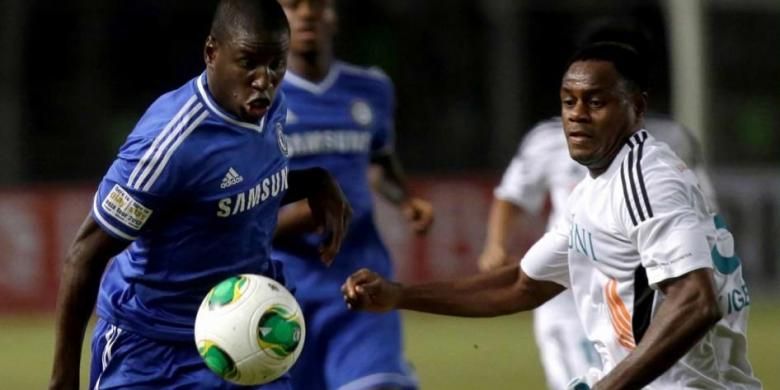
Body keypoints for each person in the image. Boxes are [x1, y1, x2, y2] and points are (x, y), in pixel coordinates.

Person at [343, 42, 762, 389]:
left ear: (636, 106)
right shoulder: (597, 187)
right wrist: (400, 295)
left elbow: (695, 299)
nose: (577, 114)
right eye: (569, 101)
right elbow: (522, 284)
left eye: (596, 101)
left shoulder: (644, 179)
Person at [48, 1, 352, 389]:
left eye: (276, 63)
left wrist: (314, 181)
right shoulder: (167, 145)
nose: (264, 79)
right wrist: (61, 380)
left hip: (246, 334)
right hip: (152, 351)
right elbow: (84, 256)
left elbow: (239, 183)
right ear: (212, 53)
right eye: (248, 62)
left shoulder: (270, 108)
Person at [477, 26, 718, 390]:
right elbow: (511, 195)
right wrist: (495, 245)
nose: (578, 113)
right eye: (570, 98)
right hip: (567, 295)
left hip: (639, 288)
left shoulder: (667, 147)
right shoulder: (547, 140)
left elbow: (704, 210)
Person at [272, 1, 433, 389]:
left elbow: (379, 162)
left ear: (335, 15)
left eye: (319, 4)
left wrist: (405, 199)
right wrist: (303, 215)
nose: (308, 14)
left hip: (360, 279)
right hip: (281, 291)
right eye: (294, 5)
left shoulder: (372, 88)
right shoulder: (258, 98)